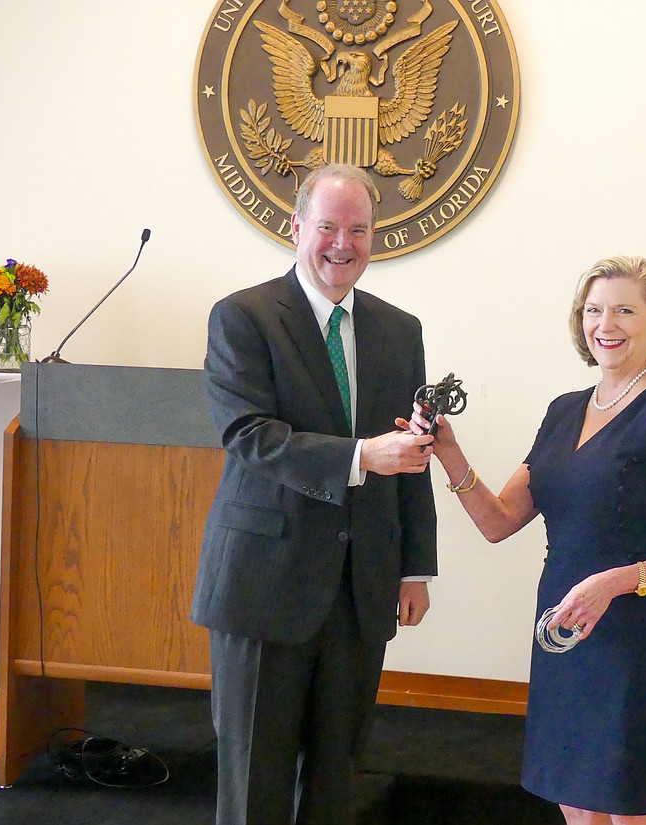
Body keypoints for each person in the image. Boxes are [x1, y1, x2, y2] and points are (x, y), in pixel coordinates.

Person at [407, 255, 646, 825]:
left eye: (626, 310)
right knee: (574, 800)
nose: (607, 323)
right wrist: (448, 451)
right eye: (595, 310)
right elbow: (499, 521)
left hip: (637, 631)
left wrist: (615, 583)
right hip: (564, 624)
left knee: (628, 806)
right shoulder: (563, 411)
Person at [191, 163, 438, 825]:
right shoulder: (242, 317)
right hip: (263, 588)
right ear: (297, 226)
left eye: (358, 229)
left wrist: (414, 566)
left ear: (374, 234)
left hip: (359, 592)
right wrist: (360, 456)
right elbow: (248, 434)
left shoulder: (400, 330)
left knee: (336, 781)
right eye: (327, 226)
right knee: (255, 784)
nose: (342, 243)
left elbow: (413, 451)